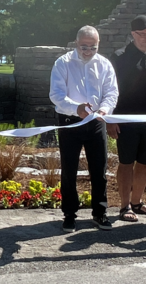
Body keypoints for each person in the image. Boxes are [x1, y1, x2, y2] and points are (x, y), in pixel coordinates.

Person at [49, 25, 119, 232]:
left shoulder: (104, 64)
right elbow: (56, 95)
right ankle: (69, 215)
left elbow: (111, 92)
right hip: (70, 122)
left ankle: (100, 213)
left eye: (93, 47)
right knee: (69, 170)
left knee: (99, 169)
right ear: (76, 43)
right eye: (84, 47)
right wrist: (75, 108)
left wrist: (105, 109)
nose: (88, 51)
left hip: (96, 122)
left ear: (98, 45)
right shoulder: (63, 63)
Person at [107, 15, 146, 223]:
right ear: (133, 34)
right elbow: (108, 90)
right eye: (142, 34)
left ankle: (137, 202)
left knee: (145, 162)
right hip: (125, 120)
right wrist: (111, 119)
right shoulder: (118, 56)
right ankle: (124, 206)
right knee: (126, 163)